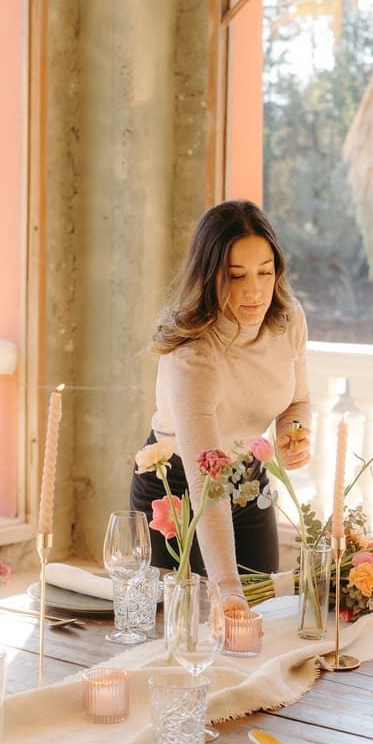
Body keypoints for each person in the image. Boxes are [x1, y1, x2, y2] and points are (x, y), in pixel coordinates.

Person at [130, 199, 311, 614]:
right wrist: (225, 588)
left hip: (248, 481)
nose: (254, 290)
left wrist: (292, 432)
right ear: (210, 276)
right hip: (176, 487)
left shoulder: (288, 320)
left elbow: (298, 399)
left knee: (260, 618)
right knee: (177, 631)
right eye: (236, 276)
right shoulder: (193, 352)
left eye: (265, 272)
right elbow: (204, 480)